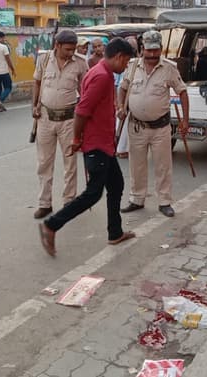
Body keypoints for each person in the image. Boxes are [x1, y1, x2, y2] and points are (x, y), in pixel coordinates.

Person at [37, 38, 137, 257]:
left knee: (116, 185)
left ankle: (115, 232)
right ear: (119, 57)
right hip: (96, 144)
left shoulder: (100, 71)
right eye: (126, 61)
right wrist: (76, 138)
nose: (126, 66)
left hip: (104, 144)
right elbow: (82, 110)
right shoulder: (101, 76)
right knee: (93, 194)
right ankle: (51, 225)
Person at [118, 30, 190, 218]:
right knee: (137, 165)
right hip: (137, 127)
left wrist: (185, 120)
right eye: (148, 50)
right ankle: (137, 199)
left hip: (160, 128)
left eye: (155, 50)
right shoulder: (132, 66)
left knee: (163, 166)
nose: (152, 54)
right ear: (142, 49)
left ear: (161, 49)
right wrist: (120, 107)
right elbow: (122, 88)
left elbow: (182, 92)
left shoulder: (169, 68)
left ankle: (164, 202)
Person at [32, 30, 88, 219]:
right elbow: (37, 83)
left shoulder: (80, 62)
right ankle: (44, 203)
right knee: (44, 163)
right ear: (57, 45)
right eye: (67, 49)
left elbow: (85, 90)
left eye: (73, 49)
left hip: (69, 119)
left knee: (70, 163)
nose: (71, 53)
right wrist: (34, 106)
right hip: (45, 118)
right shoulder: (43, 60)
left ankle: (69, 201)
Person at [115, 36, 140, 159]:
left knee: (125, 125)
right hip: (124, 98)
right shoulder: (130, 64)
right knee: (122, 124)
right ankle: (120, 149)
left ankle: (121, 148)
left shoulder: (135, 61)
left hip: (130, 98)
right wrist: (120, 104)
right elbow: (121, 85)